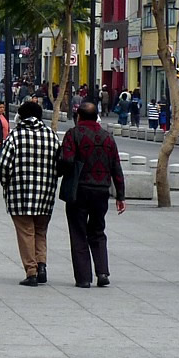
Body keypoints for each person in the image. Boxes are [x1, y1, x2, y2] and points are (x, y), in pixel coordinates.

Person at [58, 102, 126, 288]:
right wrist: (120, 195)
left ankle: (84, 278)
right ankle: (102, 272)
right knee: (97, 230)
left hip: (78, 190)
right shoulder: (107, 137)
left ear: (78, 116)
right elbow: (116, 167)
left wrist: (59, 170)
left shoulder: (73, 134)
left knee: (78, 232)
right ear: (96, 116)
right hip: (101, 191)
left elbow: (67, 160)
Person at [0, 100, 60, 286]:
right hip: (46, 195)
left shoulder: (15, 136)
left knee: (26, 233)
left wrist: (7, 185)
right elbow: (60, 163)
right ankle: (42, 265)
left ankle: (31, 271)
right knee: (41, 231)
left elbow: (4, 167)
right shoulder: (51, 136)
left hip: (20, 195)